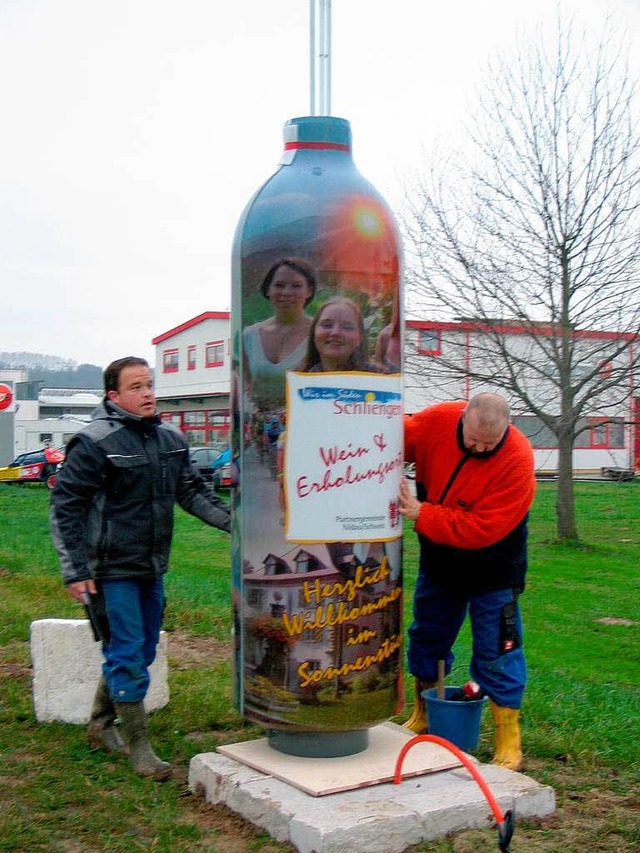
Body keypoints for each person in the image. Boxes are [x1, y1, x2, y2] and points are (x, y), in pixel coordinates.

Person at [50, 356, 231, 781]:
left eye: (149, 384)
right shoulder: (92, 442)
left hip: (151, 567)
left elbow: (193, 492)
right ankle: (140, 748)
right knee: (129, 652)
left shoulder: (170, 438)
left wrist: (238, 528)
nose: (148, 393)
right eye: (136, 387)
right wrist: (75, 571)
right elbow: (65, 509)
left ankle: (100, 723)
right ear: (113, 396)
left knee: (142, 650)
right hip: (109, 570)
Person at [398, 392, 535, 771]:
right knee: (428, 635)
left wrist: (422, 513)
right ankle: (423, 713)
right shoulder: (436, 422)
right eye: (473, 439)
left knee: (498, 650)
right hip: (440, 560)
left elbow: (483, 529)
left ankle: (509, 740)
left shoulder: (518, 460)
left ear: (506, 430)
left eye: (489, 444)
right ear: (462, 417)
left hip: (494, 566)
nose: (478, 448)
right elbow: (393, 438)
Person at [243, 257, 316, 408]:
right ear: (268, 289)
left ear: (309, 291)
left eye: (296, 286)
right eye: (279, 285)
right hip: (260, 428)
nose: (287, 292)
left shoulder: (319, 334)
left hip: (305, 425)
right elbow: (247, 384)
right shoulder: (250, 335)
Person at [302, 297, 379, 372]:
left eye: (347, 327)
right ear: (314, 333)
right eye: (327, 325)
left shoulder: (380, 380)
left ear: (359, 338)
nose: (336, 332)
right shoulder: (298, 381)